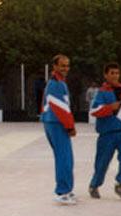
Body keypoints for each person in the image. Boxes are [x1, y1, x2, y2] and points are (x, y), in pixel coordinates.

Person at [88, 62, 121, 199]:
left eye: (117, 73)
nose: (115, 76)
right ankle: (94, 185)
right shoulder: (101, 92)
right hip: (107, 134)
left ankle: (120, 183)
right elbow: (94, 111)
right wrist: (110, 107)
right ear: (106, 75)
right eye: (112, 73)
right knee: (102, 163)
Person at [42, 54, 77, 205]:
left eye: (67, 65)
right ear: (54, 66)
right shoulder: (57, 84)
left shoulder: (56, 82)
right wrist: (70, 126)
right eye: (62, 65)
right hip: (57, 123)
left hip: (52, 122)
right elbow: (61, 108)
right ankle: (62, 192)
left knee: (65, 157)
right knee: (65, 158)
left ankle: (66, 190)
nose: (65, 68)